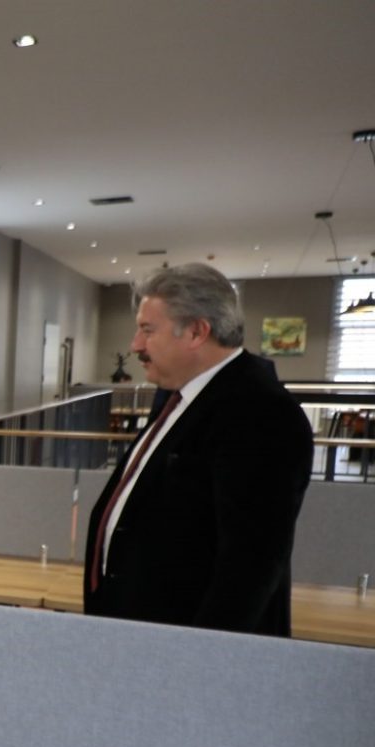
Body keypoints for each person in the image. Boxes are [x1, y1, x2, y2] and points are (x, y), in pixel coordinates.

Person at [84, 264, 312, 636]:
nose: (136, 345)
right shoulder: (179, 396)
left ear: (196, 332)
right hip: (142, 631)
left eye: (147, 330)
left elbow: (251, 565)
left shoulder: (260, 412)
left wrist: (201, 656)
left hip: (188, 644)